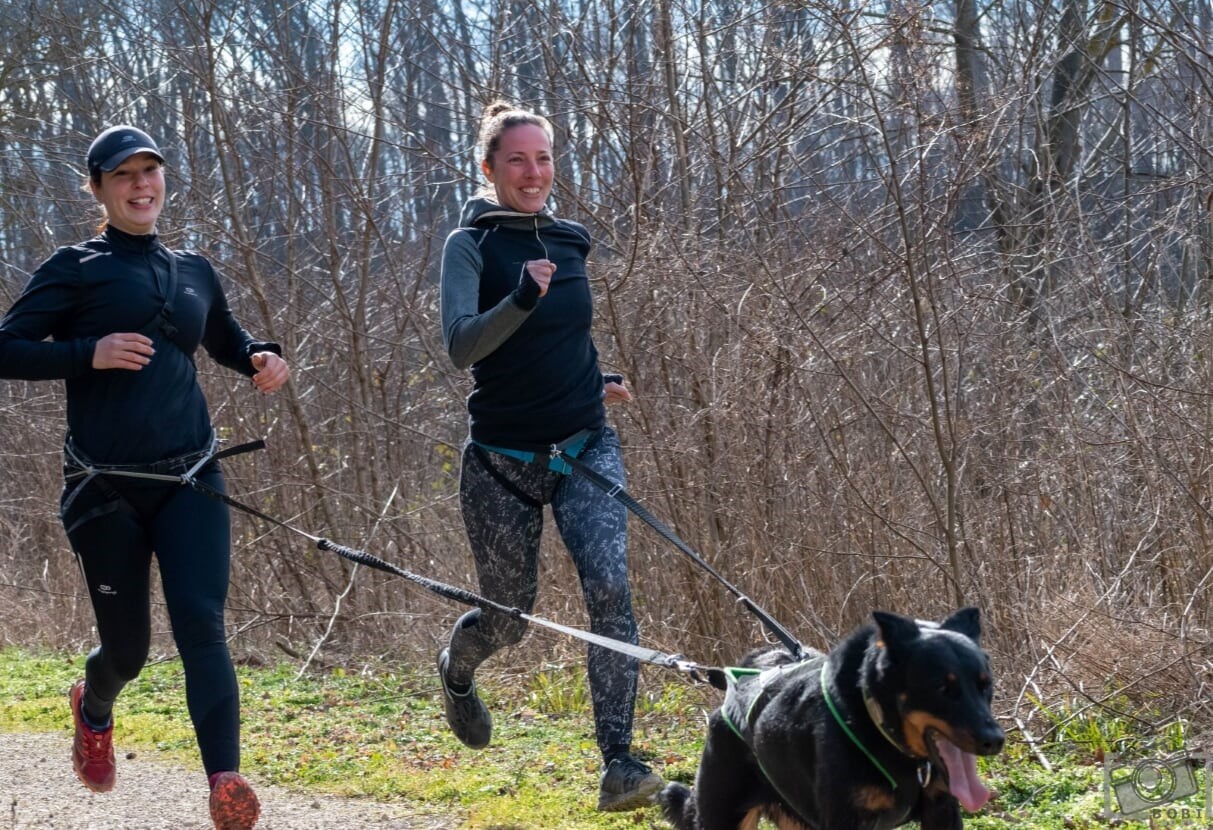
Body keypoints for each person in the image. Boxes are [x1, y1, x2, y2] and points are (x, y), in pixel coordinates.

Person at [0, 125, 289, 830]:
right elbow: (5, 347)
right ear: (97, 189)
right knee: (127, 649)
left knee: (202, 623)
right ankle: (92, 707)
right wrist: (85, 353)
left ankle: (225, 781)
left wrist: (260, 356)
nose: (140, 186)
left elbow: (223, 337)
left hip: (191, 475)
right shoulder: (75, 267)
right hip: (105, 487)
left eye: (150, 172)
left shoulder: (192, 268)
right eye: (123, 175)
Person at [436, 101, 663, 812]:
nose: (532, 172)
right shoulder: (469, 245)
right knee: (510, 618)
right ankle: (456, 669)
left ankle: (620, 764)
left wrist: (594, 379)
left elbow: (562, 339)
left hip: (583, 445)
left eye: (542, 159)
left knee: (610, 591)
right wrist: (520, 299)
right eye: (516, 160)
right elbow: (462, 346)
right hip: (502, 461)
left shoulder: (570, 240)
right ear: (489, 168)